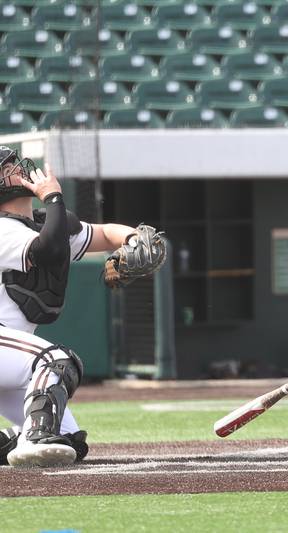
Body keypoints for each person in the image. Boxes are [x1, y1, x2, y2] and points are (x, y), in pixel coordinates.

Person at [0, 147, 166, 467]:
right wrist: (53, 197)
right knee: (56, 361)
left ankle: (28, 436)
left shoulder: (42, 224)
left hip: (10, 358)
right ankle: (34, 435)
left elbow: (102, 234)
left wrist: (132, 239)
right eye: (5, 167)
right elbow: (47, 249)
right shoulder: (4, 228)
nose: (16, 167)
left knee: (67, 442)